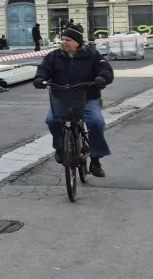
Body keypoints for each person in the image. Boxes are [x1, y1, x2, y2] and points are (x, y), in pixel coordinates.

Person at [32, 24, 113, 177]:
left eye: (68, 39)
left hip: (87, 98)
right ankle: (60, 148)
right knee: (52, 121)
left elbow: (106, 69)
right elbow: (44, 68)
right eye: (62, 39)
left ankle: (95, 159)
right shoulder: (54, 56)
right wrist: (40, 78)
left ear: (77, 42)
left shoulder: (92, 55)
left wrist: (102, 78)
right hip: (61, 98)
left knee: (96, 122)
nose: (64, 42)